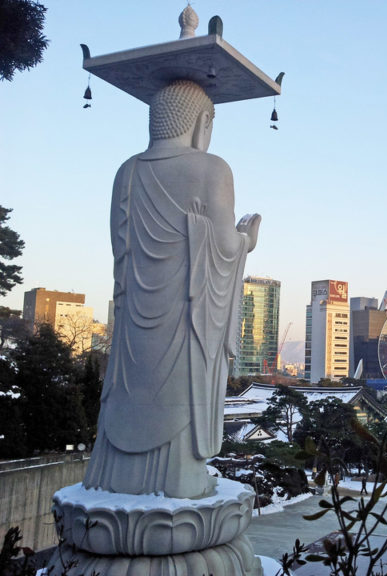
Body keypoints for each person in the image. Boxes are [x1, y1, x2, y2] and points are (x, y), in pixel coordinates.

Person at [83, 80, 261, 499]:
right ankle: (180, 480)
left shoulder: (127, 172)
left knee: (130, 396)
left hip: (133, 332)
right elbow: (224, 244)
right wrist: (245, 242)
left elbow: (121, 251)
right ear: (202, 123)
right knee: (184, 393)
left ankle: (117, 475)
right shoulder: (212, 169)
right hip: (185, 320)